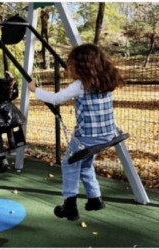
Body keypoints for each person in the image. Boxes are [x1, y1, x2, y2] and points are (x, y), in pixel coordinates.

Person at [28, 43, 124, 221]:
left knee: (69, 165)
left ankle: (70, 206)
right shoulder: (105, 79)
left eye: (71, 64)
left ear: (80, 65)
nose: (69, 68)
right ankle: (95, 199)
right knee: (85, 164)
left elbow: (56, 99)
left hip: (86, 137)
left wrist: (36, 90)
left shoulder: (80, 84)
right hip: (107, 134)